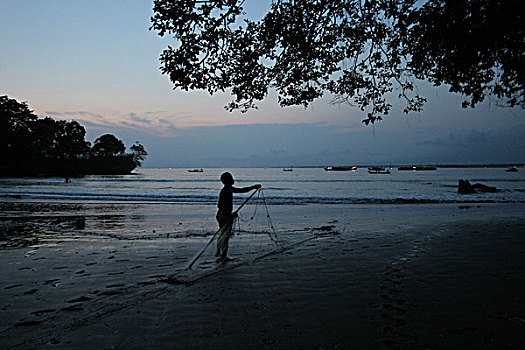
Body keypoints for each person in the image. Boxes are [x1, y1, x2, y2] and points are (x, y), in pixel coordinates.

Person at [216, 172, 261, 262]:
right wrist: (230, 215)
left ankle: (220, 253)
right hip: (224, 216)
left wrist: (253, 187)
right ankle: (223, 256)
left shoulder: (228, 189)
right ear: (228, 180)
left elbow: (241, 190)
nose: (233, 179)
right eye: (231, 178)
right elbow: (221, 205)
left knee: (223, 234)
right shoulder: (227, 190)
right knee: (225, 235)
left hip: (221, 215)